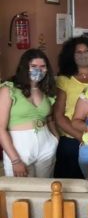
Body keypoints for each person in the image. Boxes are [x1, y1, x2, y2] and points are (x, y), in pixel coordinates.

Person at [0, 49, 58, 177]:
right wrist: (15, 160)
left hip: (46, 143)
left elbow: (49, 118)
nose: (39, 70)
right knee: (20, 187)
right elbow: (0, 128)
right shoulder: (8, 89)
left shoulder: (45, 90)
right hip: (19, 145)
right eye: (34, 66)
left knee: (45, 187)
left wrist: (55, 138)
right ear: (25, 67)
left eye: (43, 66)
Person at [53, 36, 88, 178]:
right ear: (71, 55)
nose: (83, 55)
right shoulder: (64, 80)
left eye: (86, 51)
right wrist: (81, 137)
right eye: (78, 52)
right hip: (71, 139)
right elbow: (59, 116)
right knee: (70, 184)